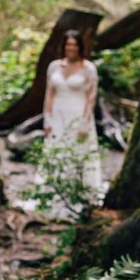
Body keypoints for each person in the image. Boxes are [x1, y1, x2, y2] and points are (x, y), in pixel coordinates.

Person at [41, 29, 104, 197]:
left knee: (78, 152)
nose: (71, 48)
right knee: (56, 151)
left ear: (80, 47)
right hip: (57, 115)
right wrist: (47, 120)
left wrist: (85, 120)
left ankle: (78, 194)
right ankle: (53, 194)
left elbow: (91, 97)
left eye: (74, 45)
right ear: (64, 46)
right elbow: (49, 94)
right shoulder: (54, 66)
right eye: (68, 44)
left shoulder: (89, 68)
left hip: (78, 113)